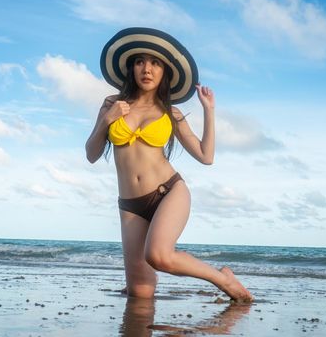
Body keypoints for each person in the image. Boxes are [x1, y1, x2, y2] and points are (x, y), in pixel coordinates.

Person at [85, 28, 253, 302]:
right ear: (131, 68)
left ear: (165, 72)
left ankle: (223, 279)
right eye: (140, 61)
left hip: (168, 192)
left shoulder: (169, 113)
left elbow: (205, 155)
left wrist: (209, 110)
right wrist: (107, 120)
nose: (147, 69)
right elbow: (91, 154)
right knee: (140, 294)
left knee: (159, 255)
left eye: (155, 63)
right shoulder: (112, 104)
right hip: (130, 206)